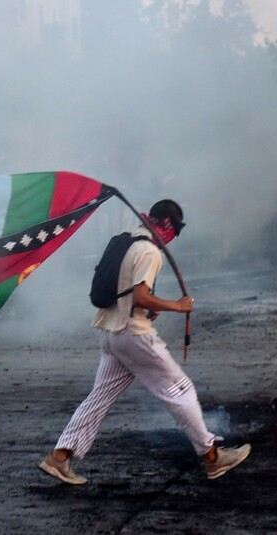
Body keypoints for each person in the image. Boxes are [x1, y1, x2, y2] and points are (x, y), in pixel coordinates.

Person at [39, 199, 250, 484]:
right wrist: (178, 306)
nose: (173, 236)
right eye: (173, 229)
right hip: (133, 335)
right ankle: (212, 458)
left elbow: (127, 292)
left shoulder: (128, 241)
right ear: (165, 224)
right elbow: (139, 296)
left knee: (100, 397)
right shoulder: (149, 251)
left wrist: (149, 306)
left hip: (111, 334)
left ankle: (59, 457)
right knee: (180, 389)